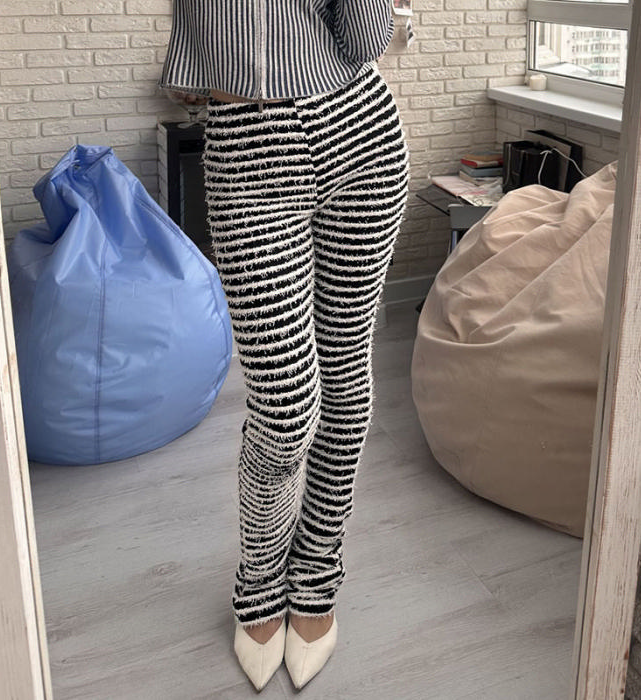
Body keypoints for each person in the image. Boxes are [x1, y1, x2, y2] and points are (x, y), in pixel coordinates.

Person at [160, 1, 410, 691]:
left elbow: (366, 36)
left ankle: (317, 576)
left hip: (360, 130)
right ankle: (260, 580)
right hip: (247, 146)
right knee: (285, 407)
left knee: (347, 375)